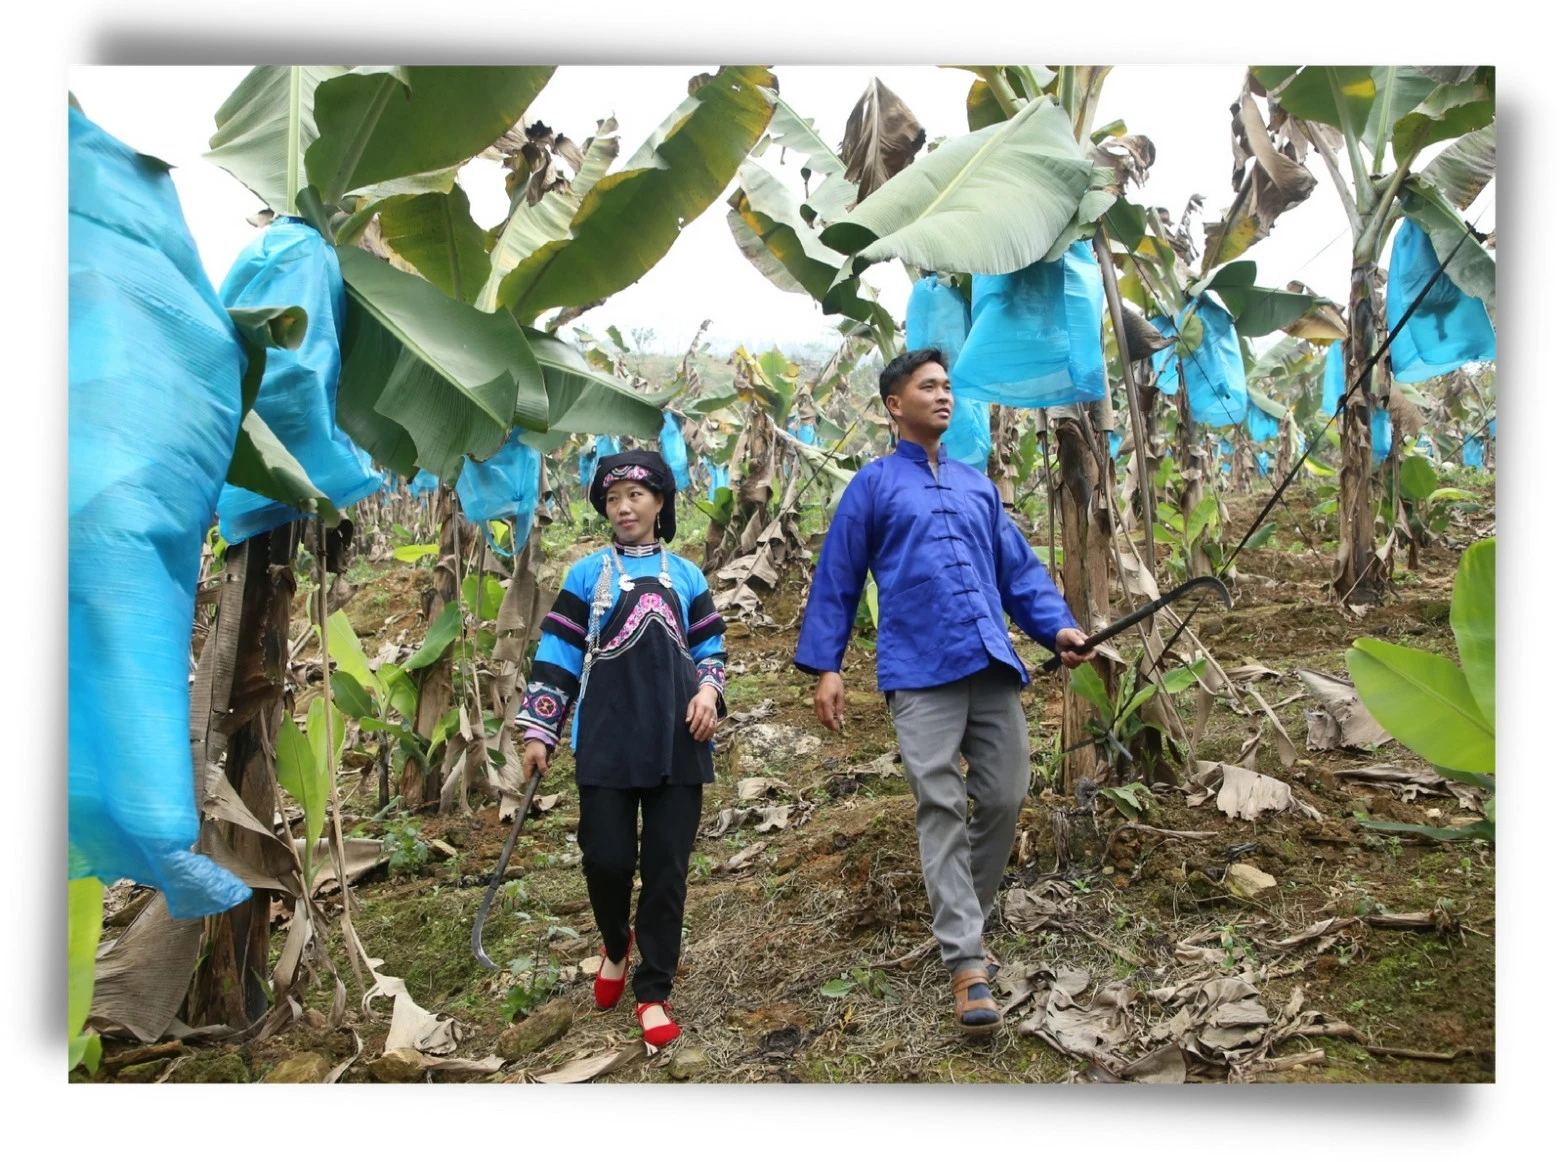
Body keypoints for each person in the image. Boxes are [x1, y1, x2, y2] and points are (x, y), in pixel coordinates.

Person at [794, 348, 1095, 1036]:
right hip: (918, 668)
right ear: (895, 404)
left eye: (948, 386)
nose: (943, 395)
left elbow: (1018, 572)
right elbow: (838, 575)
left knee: (1006, 793)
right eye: (927, 386)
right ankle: (966, 962)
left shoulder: (976, 486)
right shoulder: (873, 485)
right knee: (941, 803)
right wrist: (828, 666)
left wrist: (1058, 628)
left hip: (987, 659)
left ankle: (966, 920)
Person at [516, 449, 726, 1052]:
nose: (623, 507)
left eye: (635, 495)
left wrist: (709, 692)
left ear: (659, 502)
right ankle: (615, 942)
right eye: (612, 499)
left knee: (666, 870)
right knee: (605, 859)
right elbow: (557, 656)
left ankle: (653, 990)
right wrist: (539, 731)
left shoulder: (687, 576)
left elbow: (711, 649)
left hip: (678, 738)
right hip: (606, 736)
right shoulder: (587, 574)